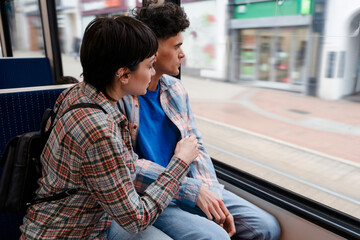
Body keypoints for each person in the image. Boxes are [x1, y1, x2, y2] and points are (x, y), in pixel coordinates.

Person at [20, 16, 199, 239]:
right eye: (149, 65)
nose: (153, 73)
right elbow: (136, 219)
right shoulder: (99, 130)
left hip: (70, 221)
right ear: (123, 74)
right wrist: (180, 163)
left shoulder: (77, 93)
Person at [113, 3, 281, 240]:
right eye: (177, 46)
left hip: (187, 184)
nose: (183, 54)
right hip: (150, 195)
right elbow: (125, 168)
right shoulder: (121, 97)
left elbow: (196, 146)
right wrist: (193, 192)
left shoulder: (175, 89)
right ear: (152, 49)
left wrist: (210, 194)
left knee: (266, 227)